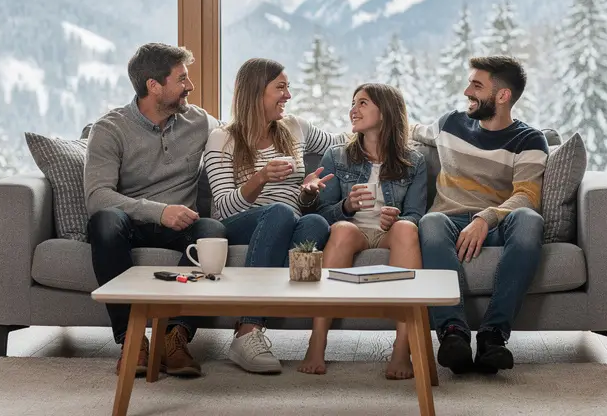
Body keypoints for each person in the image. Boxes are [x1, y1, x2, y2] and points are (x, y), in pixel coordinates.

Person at [84, 42, 227, 379]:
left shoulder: (200, 122)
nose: (190, 87)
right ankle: (131, 341)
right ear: (154, 85)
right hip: (131, 223)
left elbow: (242, 141)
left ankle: (174, 337)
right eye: (182, 79)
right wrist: (159, 212)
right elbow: (98, 197)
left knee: (212, 231)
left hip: (184, 226)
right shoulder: (110, 129)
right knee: (104, 222)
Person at [203, 57, 347, 375]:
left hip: (289, 220)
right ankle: (247, 331)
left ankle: (269, 312)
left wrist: (308, 191)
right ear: (255, 93)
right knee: (281, 213)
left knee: (316, 222)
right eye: (280, 88)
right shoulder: (222, 138)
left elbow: (342, 145)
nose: (288, 95)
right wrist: (260, 178)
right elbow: (224, 207)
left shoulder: (295, 128)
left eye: (288, 87)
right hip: (240, 224)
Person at [414, 55, 548, 375]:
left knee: (530, 220)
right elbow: (411, 129)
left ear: (502, 96)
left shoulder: (529, 140)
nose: (466, 91)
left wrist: (486, 218)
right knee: (429, 222)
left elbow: (527, 196)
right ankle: (453, 334)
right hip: (448, 221)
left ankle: (493, 336)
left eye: (476, 85)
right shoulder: (451, 124)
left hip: (498, 223)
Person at [297, 83, 427, 380]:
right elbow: (322, 214)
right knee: (341, 230)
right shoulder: (337, 156)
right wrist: (346, 206)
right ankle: (317, 342)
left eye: (363, 103)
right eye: (352, 103)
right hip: (353, 228)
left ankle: (401, 349)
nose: (353, 109)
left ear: (386, 111)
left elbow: (416, 214)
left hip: (389, 231)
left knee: (408, 229)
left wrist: (397, 217)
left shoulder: (415, 161)